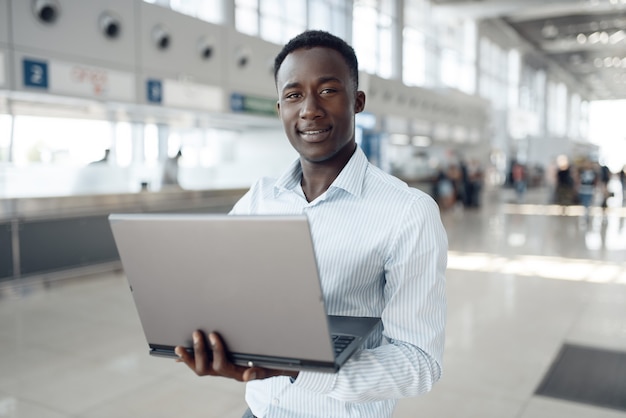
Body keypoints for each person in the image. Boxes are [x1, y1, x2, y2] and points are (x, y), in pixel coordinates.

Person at [174, 30, 448, 418]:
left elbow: (420, 363)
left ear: (357, 101)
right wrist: (210, 340)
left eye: (328, 90)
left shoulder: (408, 212)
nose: (309, 109)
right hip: (259, 412)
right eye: (293, 95)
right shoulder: (258, 200)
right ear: (280, 109)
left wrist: (300, 368)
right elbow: (225, 297)